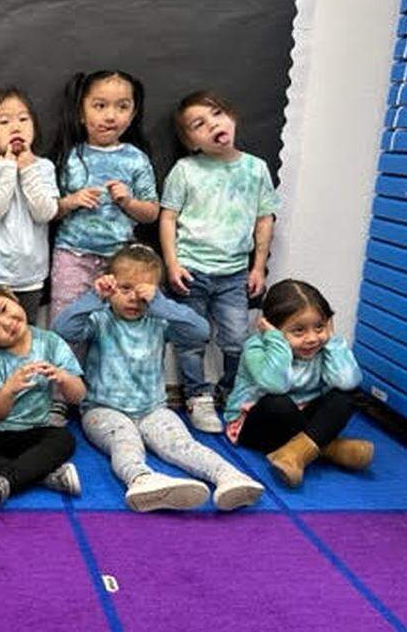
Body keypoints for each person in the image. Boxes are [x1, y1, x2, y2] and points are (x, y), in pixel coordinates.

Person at [53, 245, 263, 511]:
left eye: (142, 292)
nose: (133, 298)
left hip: (153, 408)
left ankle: (229, 476)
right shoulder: (99, 319)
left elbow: (200, 332)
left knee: (182, 444)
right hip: (102, 409)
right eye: (125, 288)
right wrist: (95, 297)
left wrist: (160, 303)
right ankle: (141, 480)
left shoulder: (158, 321)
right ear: (110, 286)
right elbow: (62, 329)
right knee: (125, 442)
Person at [159, 90, 280, 433]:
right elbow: (168, 217)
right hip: (191, 270)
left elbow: (265, 219)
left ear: (231, 117)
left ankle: (229, 391)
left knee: (237, 339)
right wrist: (172, 264)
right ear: (191, 141)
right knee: (190, 338)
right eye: (199, 124)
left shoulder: (256, 169)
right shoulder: (185, 170)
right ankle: (197, 396)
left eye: (216, 114)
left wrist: (258, 267)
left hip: (234, 274)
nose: (212, 125)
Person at [0, 283, 86, 515]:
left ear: (11, 296)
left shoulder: (50, 342)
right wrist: (8, 390)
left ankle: (5, 482)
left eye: (4, 309)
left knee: (64, 439)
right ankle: (43, 475)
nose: (7, 323)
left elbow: (79, 396)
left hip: (33, 430)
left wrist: (64, 378)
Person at [226, 279, 373, 487]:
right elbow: (276, 385)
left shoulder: (322, 349)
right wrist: (276, 341)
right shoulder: (256, 348)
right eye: (299, 331)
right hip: (258, 422)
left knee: (348, 394)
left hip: (300, 416)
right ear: (272, 328)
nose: (312, 338)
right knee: (278, 403)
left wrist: (331, 340)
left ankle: (294, 454)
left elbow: (348, 381)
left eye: (319, 327)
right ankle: (330, 448)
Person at [49, 70, 159, 325]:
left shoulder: (136, 159)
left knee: (113, 326)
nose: (111, 116)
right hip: (73, 256)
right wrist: (72, 201)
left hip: (121, 259)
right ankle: (67, 355)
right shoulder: (71, 157)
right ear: (81, 112)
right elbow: (50, 211)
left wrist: (128, 202)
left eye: (122, 107)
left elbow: (152, 212)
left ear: (133, 114)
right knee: (68, 320)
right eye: (100, 106)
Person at [0, 88, 59, 322]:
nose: (15, 127)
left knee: (24, 331)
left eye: (23, 119)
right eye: (4, 122)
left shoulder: (44, 167)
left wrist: (28, 169)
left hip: (30, 277)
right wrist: (8, 169)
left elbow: (45, 213)